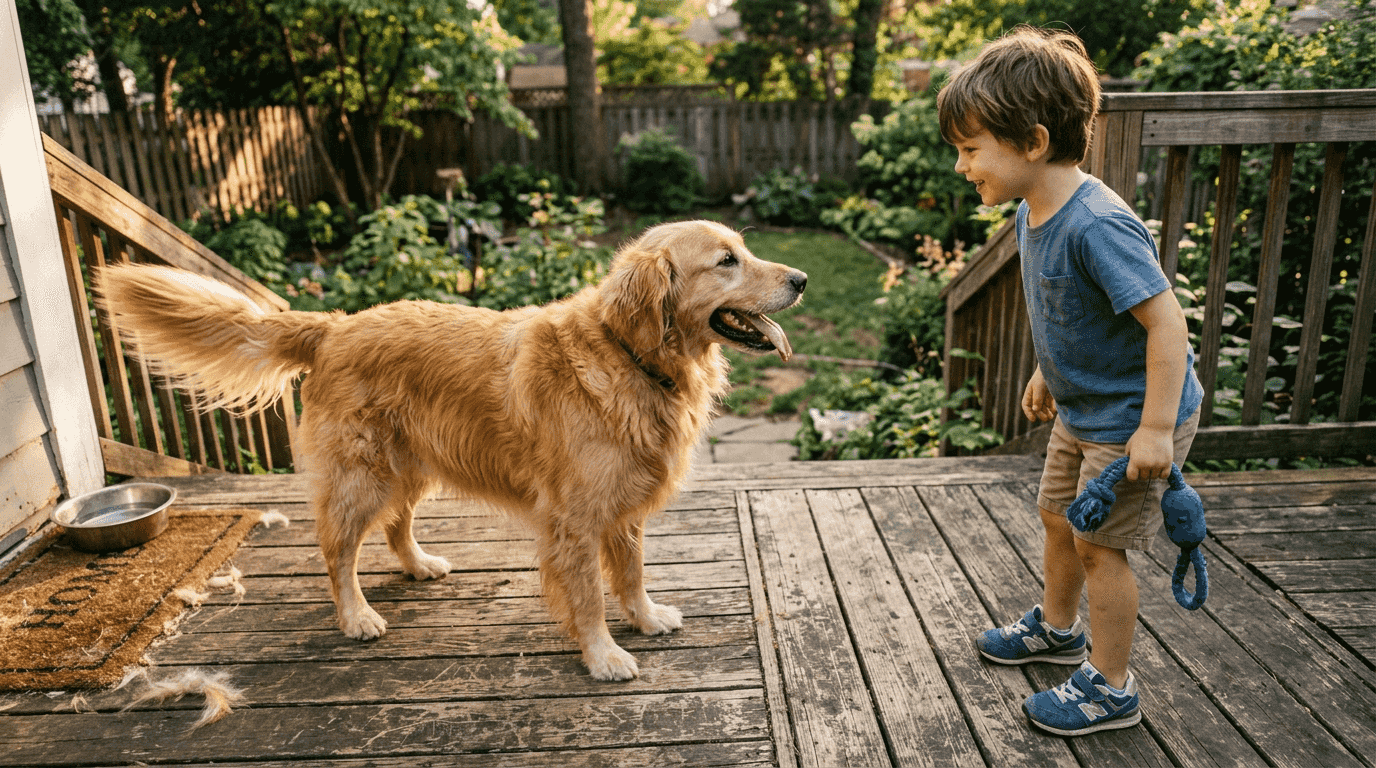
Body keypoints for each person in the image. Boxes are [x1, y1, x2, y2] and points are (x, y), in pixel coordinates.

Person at [936, 25, 1204, 736]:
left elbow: (1167, 325)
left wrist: (1153, 429)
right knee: (1057, 517)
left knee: (1099, 545)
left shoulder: (1097, 224)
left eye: (970, 149)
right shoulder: (1032, 212)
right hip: (1082, 406)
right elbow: (1072, 307)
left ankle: (1112, 686)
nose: (963, 167)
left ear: (1031, 141)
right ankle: (1058, 630)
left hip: (1135, 416)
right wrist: (1044, 368)